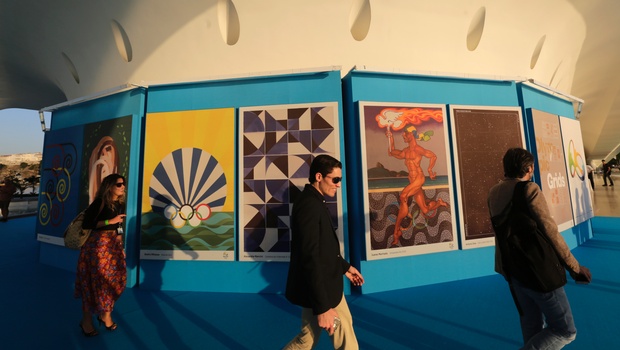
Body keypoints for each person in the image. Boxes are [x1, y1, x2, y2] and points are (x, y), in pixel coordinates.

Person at [488, 148, 592, 349]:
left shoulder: (493, 192)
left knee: (531, 324)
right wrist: (574, 266)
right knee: (566, 330)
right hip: (538, 270)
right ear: (529, 167)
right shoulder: (530, 189)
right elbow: (550, 231)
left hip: (511, 269)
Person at [284, 154, 365, 350]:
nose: (338, 184)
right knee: (344, 336)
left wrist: (345, 268)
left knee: (307, 339)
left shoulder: (315, 200)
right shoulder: (310, 205)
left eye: (340, 180)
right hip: (324, 292)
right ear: (319, 177)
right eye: (335, 179)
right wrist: (323, 308)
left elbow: (324, 249)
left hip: (323, 287)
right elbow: (309, 256)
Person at [75, 173, 127, 337]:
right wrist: (109, 222)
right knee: (93, 284)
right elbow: (87, 224)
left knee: (117, 281)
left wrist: (120, 243)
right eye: (119, 184)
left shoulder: (119, 204)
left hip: (112, 247)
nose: (122, 187)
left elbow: (119, 226)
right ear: (109, 186)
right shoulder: (99, 203)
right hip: (96, 248)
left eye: (123, 184)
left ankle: (105, 314)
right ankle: (87, 321)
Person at [386, 125, 447, 246]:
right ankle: (439, 203)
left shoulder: (418, 149)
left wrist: (430, 170)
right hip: (412, 180)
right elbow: (392, 152)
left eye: (405, 134)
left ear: (411, 134)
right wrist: (391, 138)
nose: (403, 136)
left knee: (403, 196)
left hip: (419, 178)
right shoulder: (406, 151)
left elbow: (433, 156)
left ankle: (396, 231)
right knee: (424, 209)